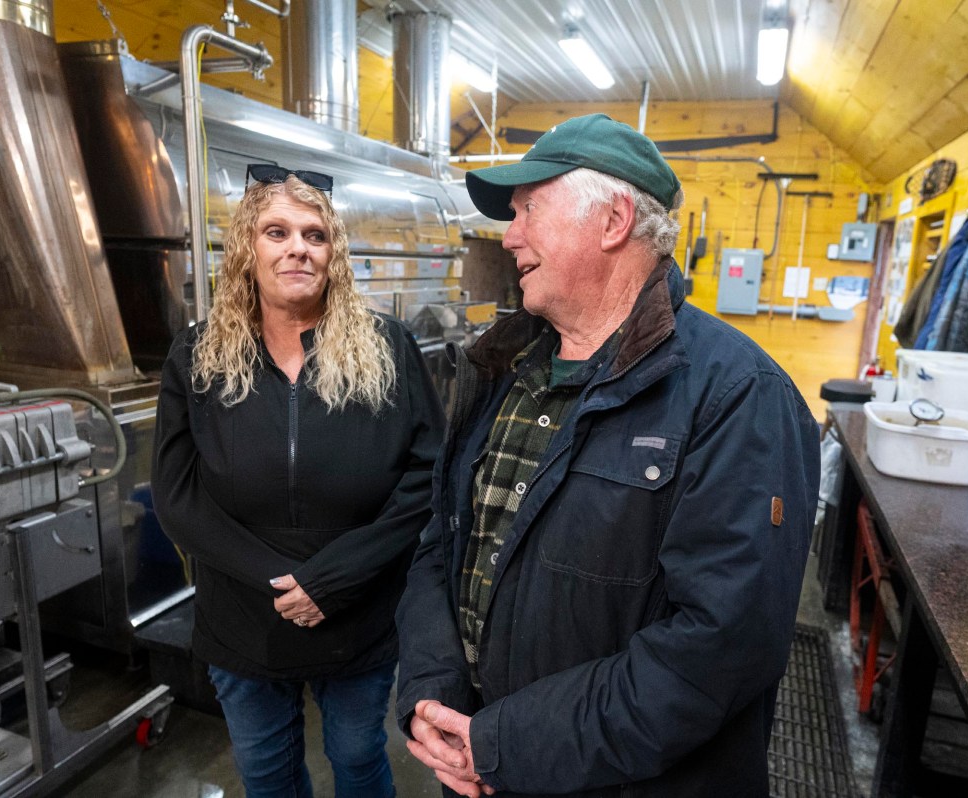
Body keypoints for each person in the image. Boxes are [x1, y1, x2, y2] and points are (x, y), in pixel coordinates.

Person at [395, 114, 820, 797]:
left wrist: (505, 745)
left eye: (529, 208)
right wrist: (432, 695)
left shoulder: (739, 397)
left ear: (614, 220)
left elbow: (716, 651)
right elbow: (438, 547)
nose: (509, 236)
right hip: (476, 767)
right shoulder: (503, 367)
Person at [153, 164, 445, 798]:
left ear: (333, 252)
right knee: (264, 770)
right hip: (242, 619)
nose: (297, 249)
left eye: (314, 235)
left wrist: (333, 578)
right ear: (248, 249)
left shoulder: (388, 349)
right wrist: (280, 581)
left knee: (358, 756)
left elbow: (428, 476)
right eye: (276, 232)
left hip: (359, 614)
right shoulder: (198, 356)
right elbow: (177, 495)